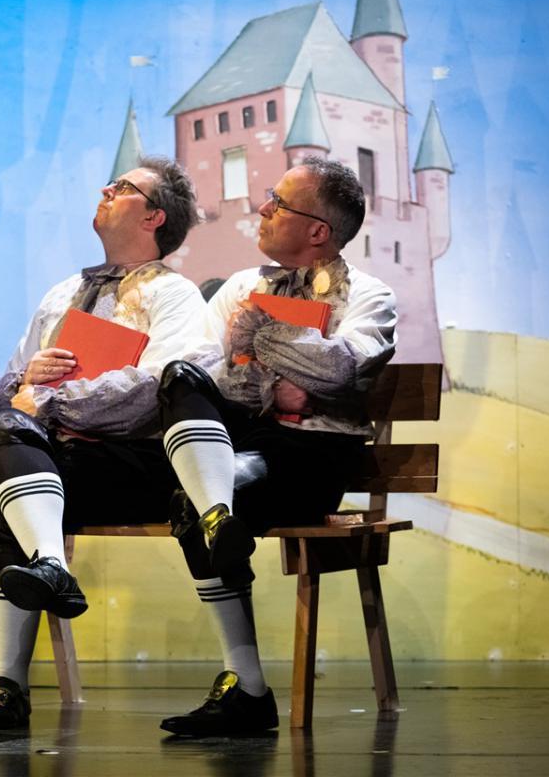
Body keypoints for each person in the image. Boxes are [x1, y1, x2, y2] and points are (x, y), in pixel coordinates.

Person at [0, 156, 217, 731]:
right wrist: (29, 379)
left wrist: (51, 398)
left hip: (133, 462)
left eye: (122, 187)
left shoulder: (174, 295)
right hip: (59, 458)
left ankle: (8, 682)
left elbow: (154, 390)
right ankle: (42, 593)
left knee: (9, 492)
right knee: (11, 451)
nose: (105, 188)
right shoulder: (64, 292)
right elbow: (7, 391)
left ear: (153, 216)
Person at [156, 157, 397, 737]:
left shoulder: (370, 295)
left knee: (204, 493)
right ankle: (247, 687)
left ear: (317, 231)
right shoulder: (241, 286)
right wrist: (275, 381)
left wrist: (258, 334)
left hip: (314, 456)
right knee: (196, 487)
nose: (263, 207)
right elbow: (200, 368)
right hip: (243, 442)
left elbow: (341, 368)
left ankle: (246, 691)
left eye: (279, 202)